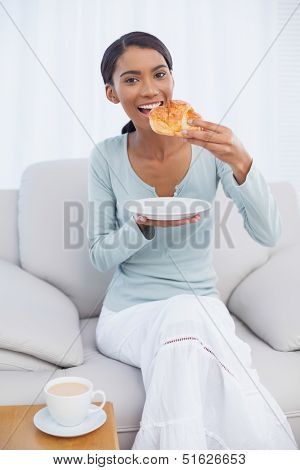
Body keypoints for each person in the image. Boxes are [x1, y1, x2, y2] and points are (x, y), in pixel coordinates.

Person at [87, 31, 298, 450]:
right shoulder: (106, 156)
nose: (149, 89)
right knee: (184, 321)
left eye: (159, 74)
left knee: (186, 319)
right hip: (129, 314)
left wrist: (240, 160)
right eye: (131, 80)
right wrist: (142, 226)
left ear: (172, 80)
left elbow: (269, 234)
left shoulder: (207, 147)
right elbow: (97, 255)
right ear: (112, 94)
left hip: (201, 308)